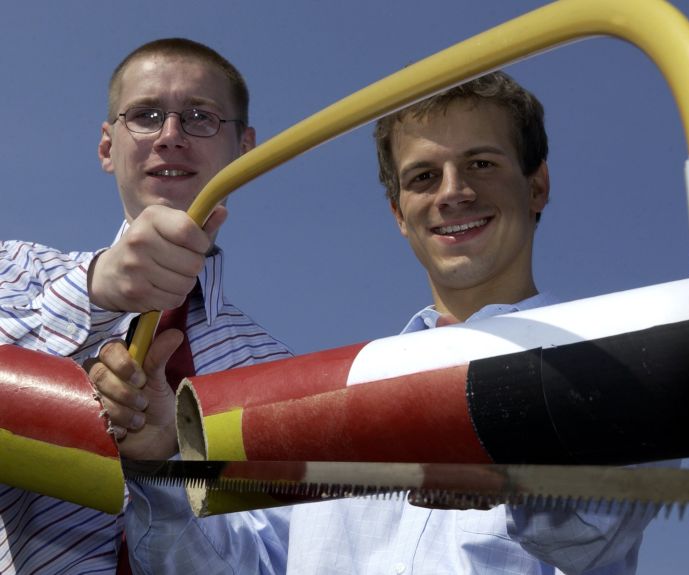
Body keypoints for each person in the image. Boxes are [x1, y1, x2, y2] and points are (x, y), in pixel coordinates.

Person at [101, 71, 657, 574]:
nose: (453, 193)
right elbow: (242, 565)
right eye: (422, 177)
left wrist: (507, 464)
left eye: (481, 164)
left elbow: (592, 532)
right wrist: (159, 463)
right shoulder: (334, 397)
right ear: (398, 213)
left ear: (536, 185)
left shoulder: (605, 359)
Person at [0, 38, 291, 574]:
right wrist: (95, 291)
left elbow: (268, 562)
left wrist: (163, 469)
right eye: (146, 115)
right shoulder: (14, 271)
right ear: (107, 147)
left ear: (244, 148)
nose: (170, 136)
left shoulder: (275, 373)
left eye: (200, 117)